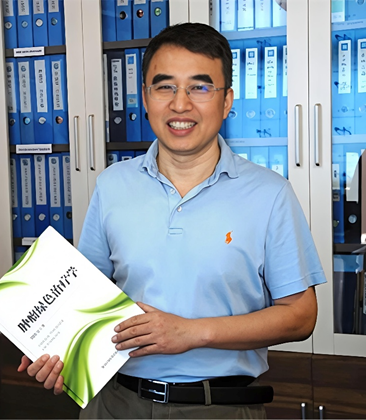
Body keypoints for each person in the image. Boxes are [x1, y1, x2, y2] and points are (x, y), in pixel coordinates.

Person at [18, 22, 327, 419]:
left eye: (200, 87)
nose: (180, 105)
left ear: (227, 101)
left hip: (217, 408)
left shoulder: (270, 194)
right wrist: (55, 348)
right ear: (146, 98)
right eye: (164, 87)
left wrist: (191, 332)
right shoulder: (112, 185)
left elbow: (301, 316)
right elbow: (81, 297)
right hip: (113, 402)